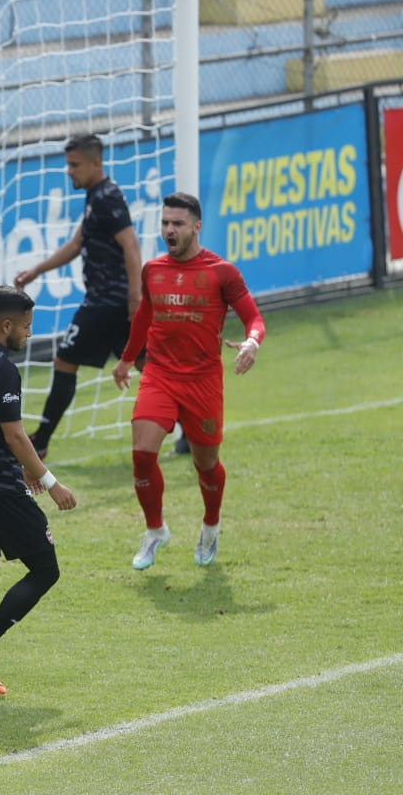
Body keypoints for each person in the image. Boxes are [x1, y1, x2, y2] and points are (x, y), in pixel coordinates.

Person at [112, 191, 265, 570]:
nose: (169, 230)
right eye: (165, 223)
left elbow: (254, 318)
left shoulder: (221, 272)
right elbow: (144, 317)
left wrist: (251, 341)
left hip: (202, 381)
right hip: (160, 375)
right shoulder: (153, 270)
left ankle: (210, 526)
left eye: (177, 223)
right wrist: (127, 360)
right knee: (142, 455)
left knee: (206, 463)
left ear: (197, 227)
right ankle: (155, 531)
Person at [0, 285, 78, 696]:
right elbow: (16, 434)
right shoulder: (2, 367)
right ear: (6, 325)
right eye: (25, 326)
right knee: (45, 569)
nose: (28, 333)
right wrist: (49, 481)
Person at [13, 133, 143, 459]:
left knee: (65, 360)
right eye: (68, 164)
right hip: (110, 301)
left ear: (96, 162)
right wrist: (36, 271)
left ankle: (41, 440)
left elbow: (131, 244)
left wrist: (135, 297)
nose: (69, 171)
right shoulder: (96, 196)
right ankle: (190, 426)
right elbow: (75, 245)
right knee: (146, 363)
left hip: (106, 302)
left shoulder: (107, 198)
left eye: (75, 164)